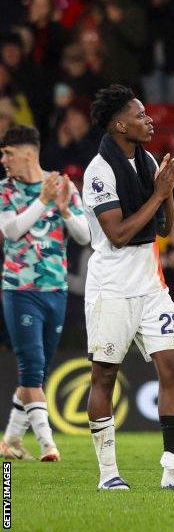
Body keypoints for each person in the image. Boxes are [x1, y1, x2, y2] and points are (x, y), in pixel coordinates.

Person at [82, 85, 174, 490]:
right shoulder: (98, 171)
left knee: (172, 367)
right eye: (139, 115)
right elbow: (118, 234)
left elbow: (165, 228)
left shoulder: (149, 158)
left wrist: (169, 191)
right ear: (120, 124)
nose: (149, 119)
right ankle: (108, 474)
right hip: (111, 289)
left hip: (151, 286)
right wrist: (159, 192)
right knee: (104, 377)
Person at [0, 125, 90, 461]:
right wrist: (42, 201)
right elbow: (11, 231)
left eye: (8, 153)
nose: (3, 160)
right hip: (19, 287)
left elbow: (83, 237)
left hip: (56, 288)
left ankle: (9, 440)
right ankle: (47, 443)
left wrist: (65, 210)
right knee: (31, 366)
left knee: (38, 371)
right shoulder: (5, 189)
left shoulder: (62, 185)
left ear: (27, 153)